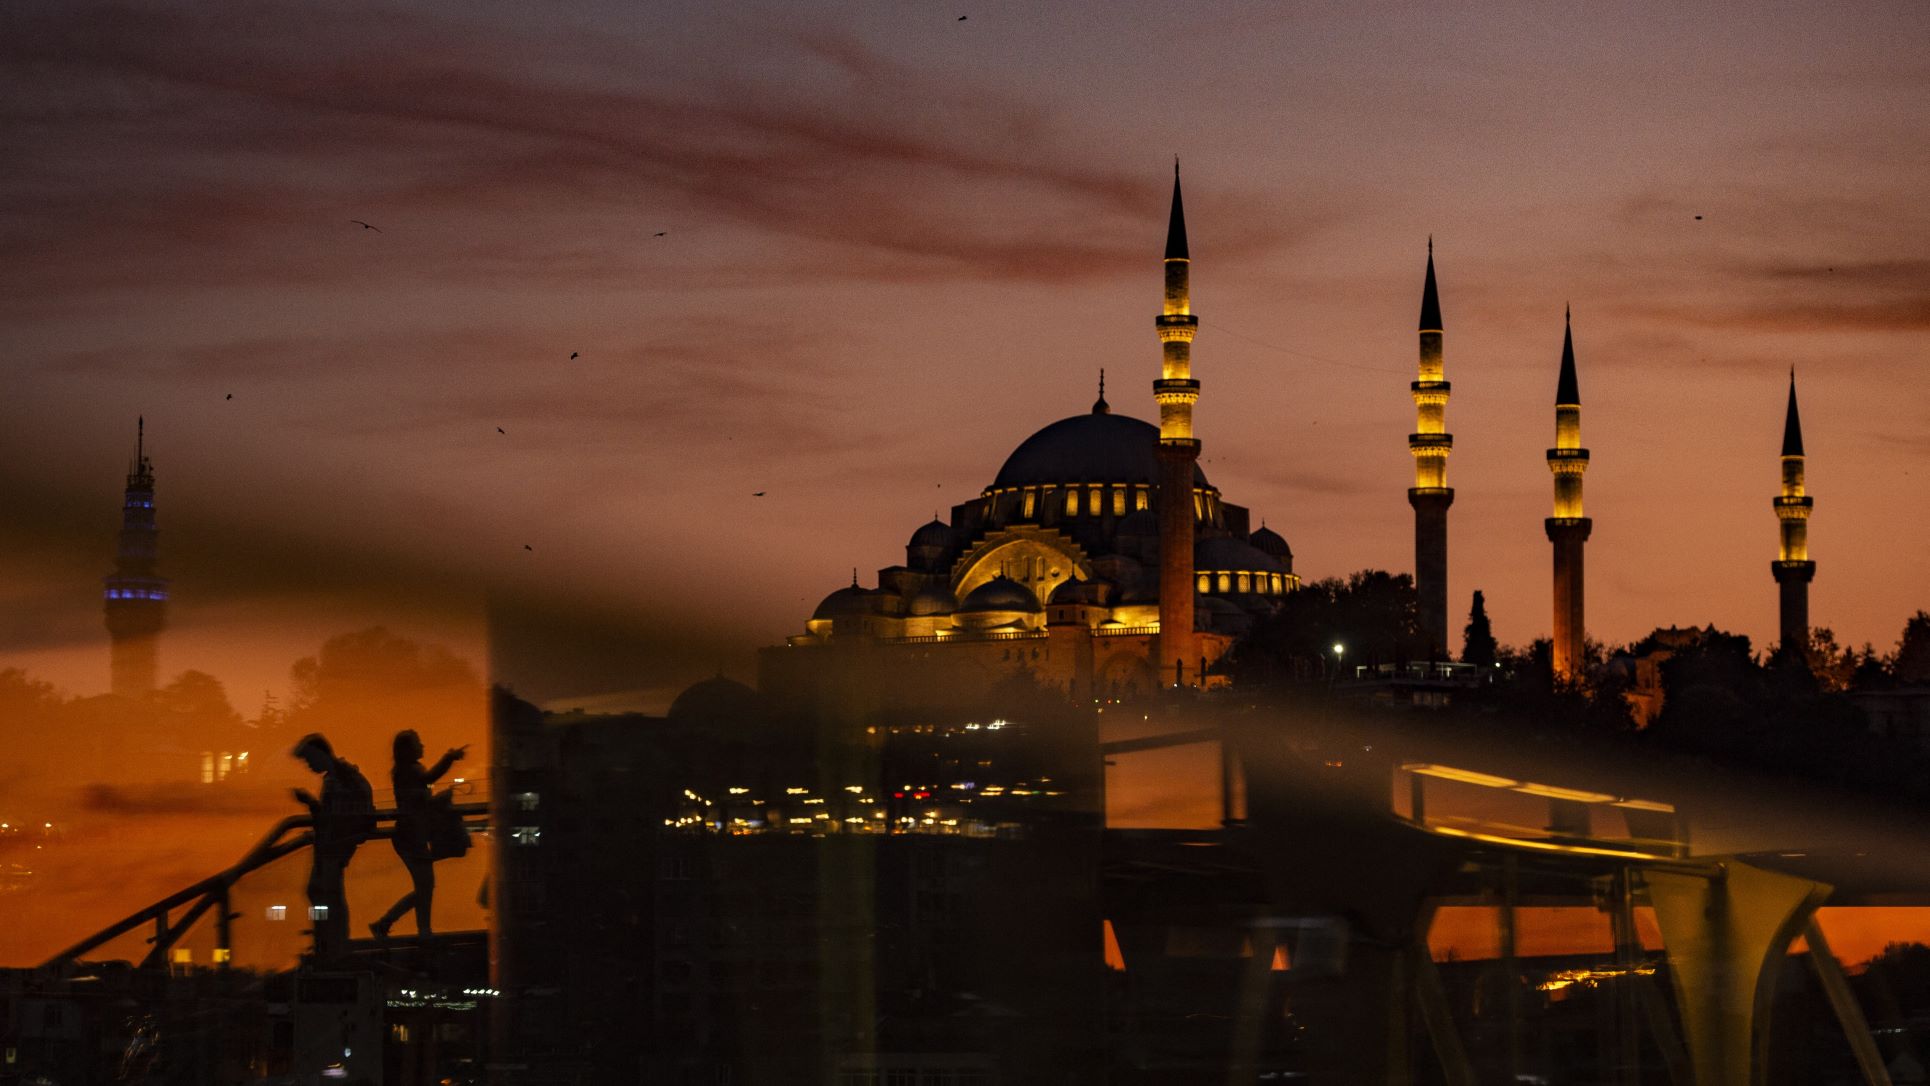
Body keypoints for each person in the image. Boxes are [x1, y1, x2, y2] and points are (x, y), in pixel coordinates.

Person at [370, 729, 466, 939]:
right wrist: (449, 758)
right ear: (409, 749)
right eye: (418, 743)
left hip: (409, 837)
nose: (422, 746)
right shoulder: (411, 771)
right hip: (412, 838)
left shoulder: (403, 772)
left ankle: (395, 925)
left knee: (424, 887)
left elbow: (418, 799)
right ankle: (416, 929)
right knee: (425, 887)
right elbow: (429, 780)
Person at [290, 733, 374, 958]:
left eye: (309, 760)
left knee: (323, 895)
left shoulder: (336, 781)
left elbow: (330, 819)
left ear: (320, 755)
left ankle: (327, 941)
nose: (309, 765)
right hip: (338, 847)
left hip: (332, 849)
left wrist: (309, 803)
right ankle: (331, 940)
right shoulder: (346, 776)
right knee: (326, 895)